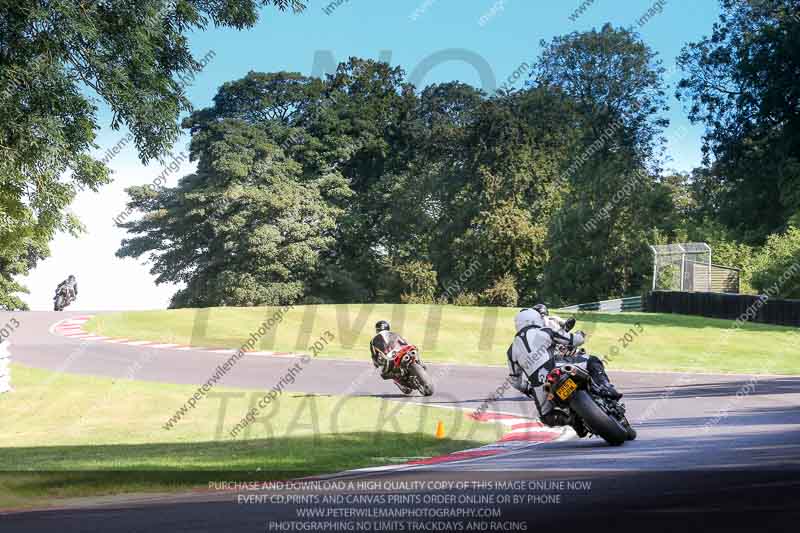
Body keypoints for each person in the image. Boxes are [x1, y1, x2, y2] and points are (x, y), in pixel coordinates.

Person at [506, 306, 621, 428]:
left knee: (546, 417)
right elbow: (575, 340)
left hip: (540, 386)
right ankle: (606, 387)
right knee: (592, 360)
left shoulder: (511, 350)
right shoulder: (544, 331)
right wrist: (580, 334)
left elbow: (515, 380)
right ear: (535, 320)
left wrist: (528, 389)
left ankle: (572, 422)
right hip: (558, 368)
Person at [369, 320, 414, 394]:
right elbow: (405, 342)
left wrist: (376, 364)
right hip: (404, 350)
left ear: (377, 329)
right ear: (388, 327)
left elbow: (374, 355)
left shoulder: (373, 340)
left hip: (391, 356)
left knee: (384, 374)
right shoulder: (394, 333)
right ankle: (419, 364)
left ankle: (399, 382)